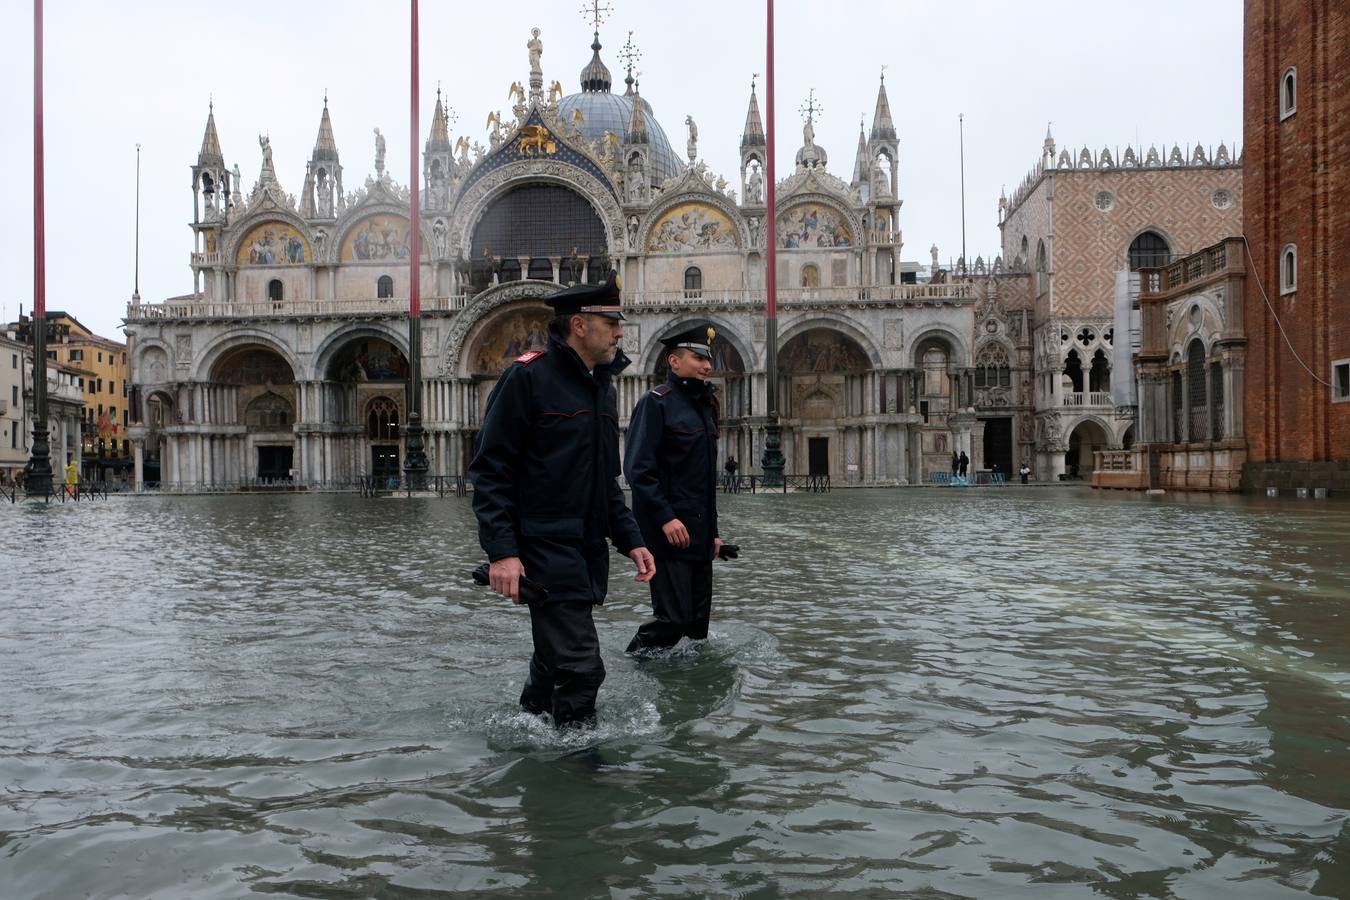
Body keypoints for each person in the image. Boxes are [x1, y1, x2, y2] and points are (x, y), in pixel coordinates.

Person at [470, 271, 655, 728]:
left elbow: (605, 480)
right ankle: (581, 773)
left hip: (585, 548)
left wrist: (631, 540)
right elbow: (490, 471)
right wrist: (503, 553)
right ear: (579, 324)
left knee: (553, 662)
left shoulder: (601, 387)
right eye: (611, 321)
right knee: (581, 668)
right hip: (543, 548)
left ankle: (527, 728)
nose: (619, 331)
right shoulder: (526, 378)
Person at [624, 323, 724, 654]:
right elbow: (638, 470)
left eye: (708, 360)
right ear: (674, 361)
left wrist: (714, 532)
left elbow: (703, 482)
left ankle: (688, 686)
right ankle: (635, 663)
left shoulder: (705, 407)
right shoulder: (656, 403)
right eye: (698, 358)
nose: (707, 366)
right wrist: (665, 517)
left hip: (699, 535)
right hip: (667, 535)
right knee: (672, 619)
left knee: (697, 626)